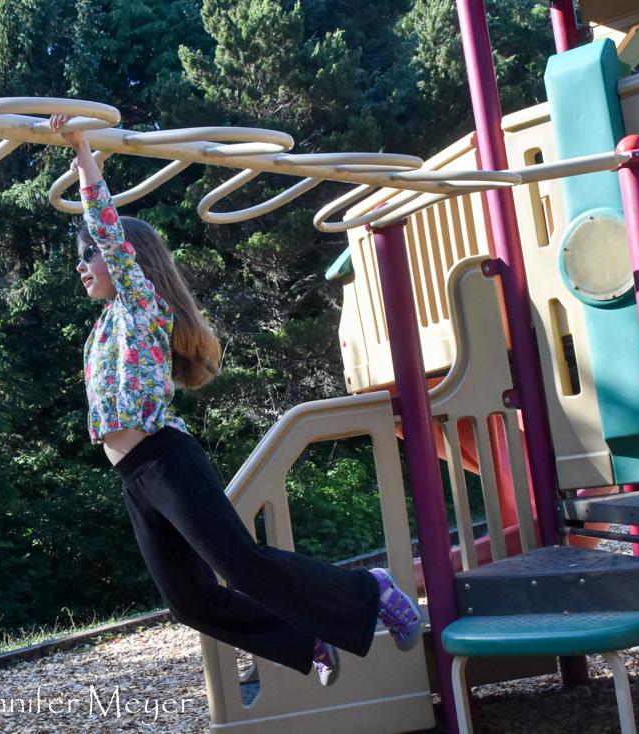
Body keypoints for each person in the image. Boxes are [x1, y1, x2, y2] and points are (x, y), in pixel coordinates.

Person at [50, 115, 422, 686]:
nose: (81, 266)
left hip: (165, 459)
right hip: (134, 477)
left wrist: (85, 154)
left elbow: (108, 230)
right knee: (188, 602)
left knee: (241, 565)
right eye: (79, 257)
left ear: (126, 263)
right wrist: (79, 170)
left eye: (88, 255)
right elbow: (100, 239)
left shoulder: (140, 306)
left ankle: (370, 590)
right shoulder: (103, 327)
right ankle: (309, 638)